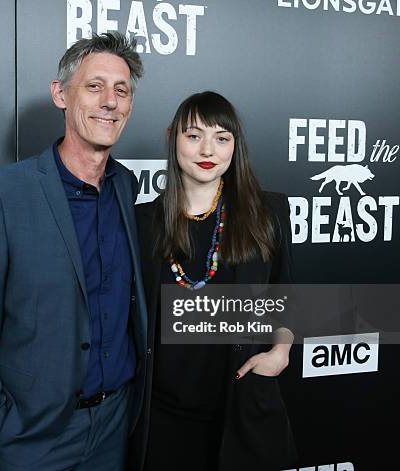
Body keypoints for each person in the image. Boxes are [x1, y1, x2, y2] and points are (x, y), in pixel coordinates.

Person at [0, 32, 148, 471]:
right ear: (61, 94)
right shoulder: (2, 191)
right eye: (94, 87)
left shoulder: (125, 187)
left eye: (122, 90)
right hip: (31, 437)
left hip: (114, 427)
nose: (109, 102)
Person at [128, 91, 297, 471]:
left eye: (222, 138)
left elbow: (286, 295)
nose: (208, 149)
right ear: (173, 139)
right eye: (194, 135)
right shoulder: (142, 222)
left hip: (241, 412)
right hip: (163, 420)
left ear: (235, 146)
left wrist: (280, 352)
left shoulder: (268, 213)